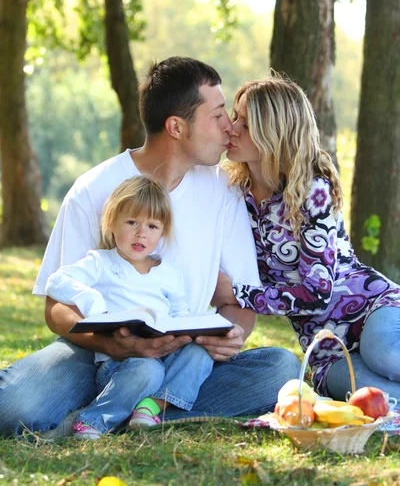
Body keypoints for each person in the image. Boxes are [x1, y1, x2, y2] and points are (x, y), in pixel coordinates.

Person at [0, 57, 300, 437]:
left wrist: (231, 336)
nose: (230, 127)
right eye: (218, 114)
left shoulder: (224, 191)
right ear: (176, 126)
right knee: (13, 408)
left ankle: (120, 412)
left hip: (183, 356)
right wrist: (113, 345)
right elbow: (56, 307)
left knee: (281, 368)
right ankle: (137, 409)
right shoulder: (93, 189)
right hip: (98, 356)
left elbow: (238, 304)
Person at [219, 75, 400, 402]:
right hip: (325, 346)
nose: (231, 128)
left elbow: (317, 294)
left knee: (385, 354)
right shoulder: (232, 195)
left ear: (273, 133)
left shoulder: (311, 190)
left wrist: (239, 294)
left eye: (244, 124)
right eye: (234, 117)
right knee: (372, 395)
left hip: (373, 307)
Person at [45, 175, 214, 439]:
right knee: (148, 368)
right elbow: (57, 282)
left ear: (163, 232)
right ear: (111, 223)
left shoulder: (169, 273)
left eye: (152, 226)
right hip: (120, 364)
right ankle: (93, 422)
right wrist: (94, 303)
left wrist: (193, 332)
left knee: (200, 355)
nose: (141, 233)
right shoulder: (101, 262)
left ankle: (150, 407)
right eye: (132, 222)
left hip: (163, 353)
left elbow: (181, 317)